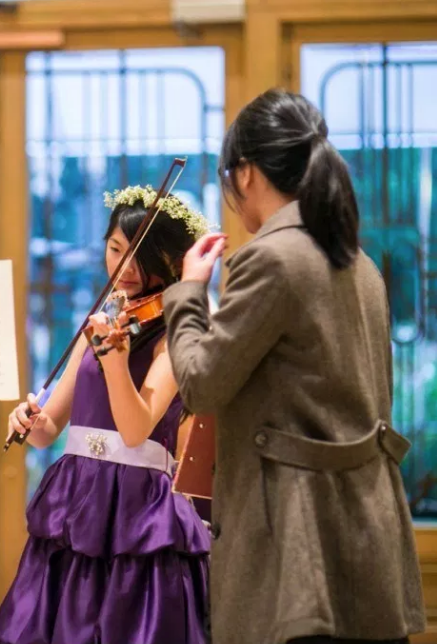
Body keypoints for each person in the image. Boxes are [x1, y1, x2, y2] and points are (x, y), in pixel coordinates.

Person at [163, 88, 426, 644]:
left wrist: (188, 292)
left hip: (297, 552)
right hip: (367, 538)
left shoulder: (271, 257)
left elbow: (201, 384)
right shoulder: (360, 264)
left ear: (248, 173)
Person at [0, 186, 212, 644]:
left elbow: (135, 430)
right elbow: (49, 429)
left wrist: (113, 359)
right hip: (78, 495)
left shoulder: (176, 334)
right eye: (114, 250)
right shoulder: (102, 320)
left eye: (140, 256)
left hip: (137, 507)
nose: (124, 268)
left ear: (169, 260)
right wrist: (29, 420)